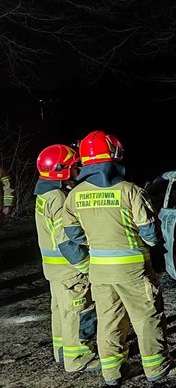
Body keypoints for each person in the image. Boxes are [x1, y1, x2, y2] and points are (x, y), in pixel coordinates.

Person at [61, 131, 176, 386]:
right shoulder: (131, 191)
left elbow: (73, 234)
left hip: (99, 272)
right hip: (133, 271)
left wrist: (98, 241)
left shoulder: (74, 195)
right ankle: (157, 367)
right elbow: (151, 235)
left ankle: (114, 372)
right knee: (147, 318)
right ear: (114, 155)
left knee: (109, 321)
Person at [34, 144, 99, 372]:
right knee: (78, 313)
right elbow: (65, 241)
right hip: (70, 270)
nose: (77, 170)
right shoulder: (59, 198)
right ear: (61, 170)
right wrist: (86, 266)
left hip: (55, 270)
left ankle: (62, 352)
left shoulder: (45, 194)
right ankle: (78, 358)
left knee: (61, 312)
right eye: (73, 166)